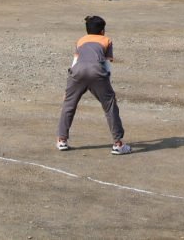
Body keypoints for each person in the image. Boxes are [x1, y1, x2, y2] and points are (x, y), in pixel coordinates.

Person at [56, 15, 131, 155]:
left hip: (77, 72)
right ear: (102, 31)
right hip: (97, 71)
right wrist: (107, 85)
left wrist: (68, 88)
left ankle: (62, 140)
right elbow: (107, 64)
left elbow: (74, 62)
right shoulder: (106, 40)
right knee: (109, 105)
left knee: (68, 104)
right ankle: (118, 144)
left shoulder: (81, 40)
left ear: (87, 30)